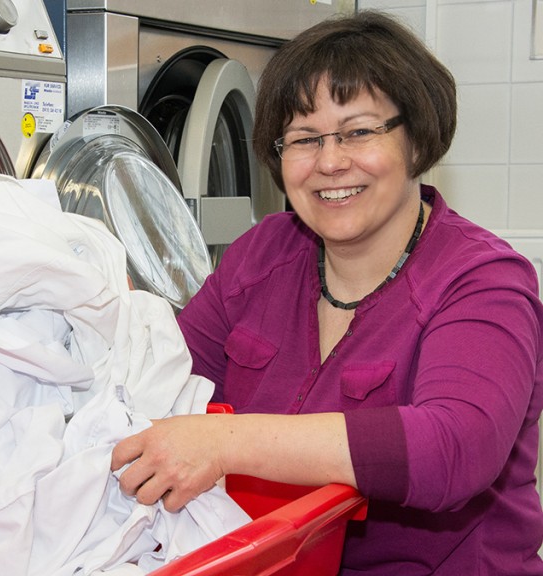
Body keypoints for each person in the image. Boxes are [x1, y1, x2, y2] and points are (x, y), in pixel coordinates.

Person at [110, 10, 543, 574]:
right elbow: (159, 380)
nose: (331, 162)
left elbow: (454, 448)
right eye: (304, 139)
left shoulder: (481, 281)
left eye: (359, 131)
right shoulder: (262, 256)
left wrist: (225, 440)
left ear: (416, 138)